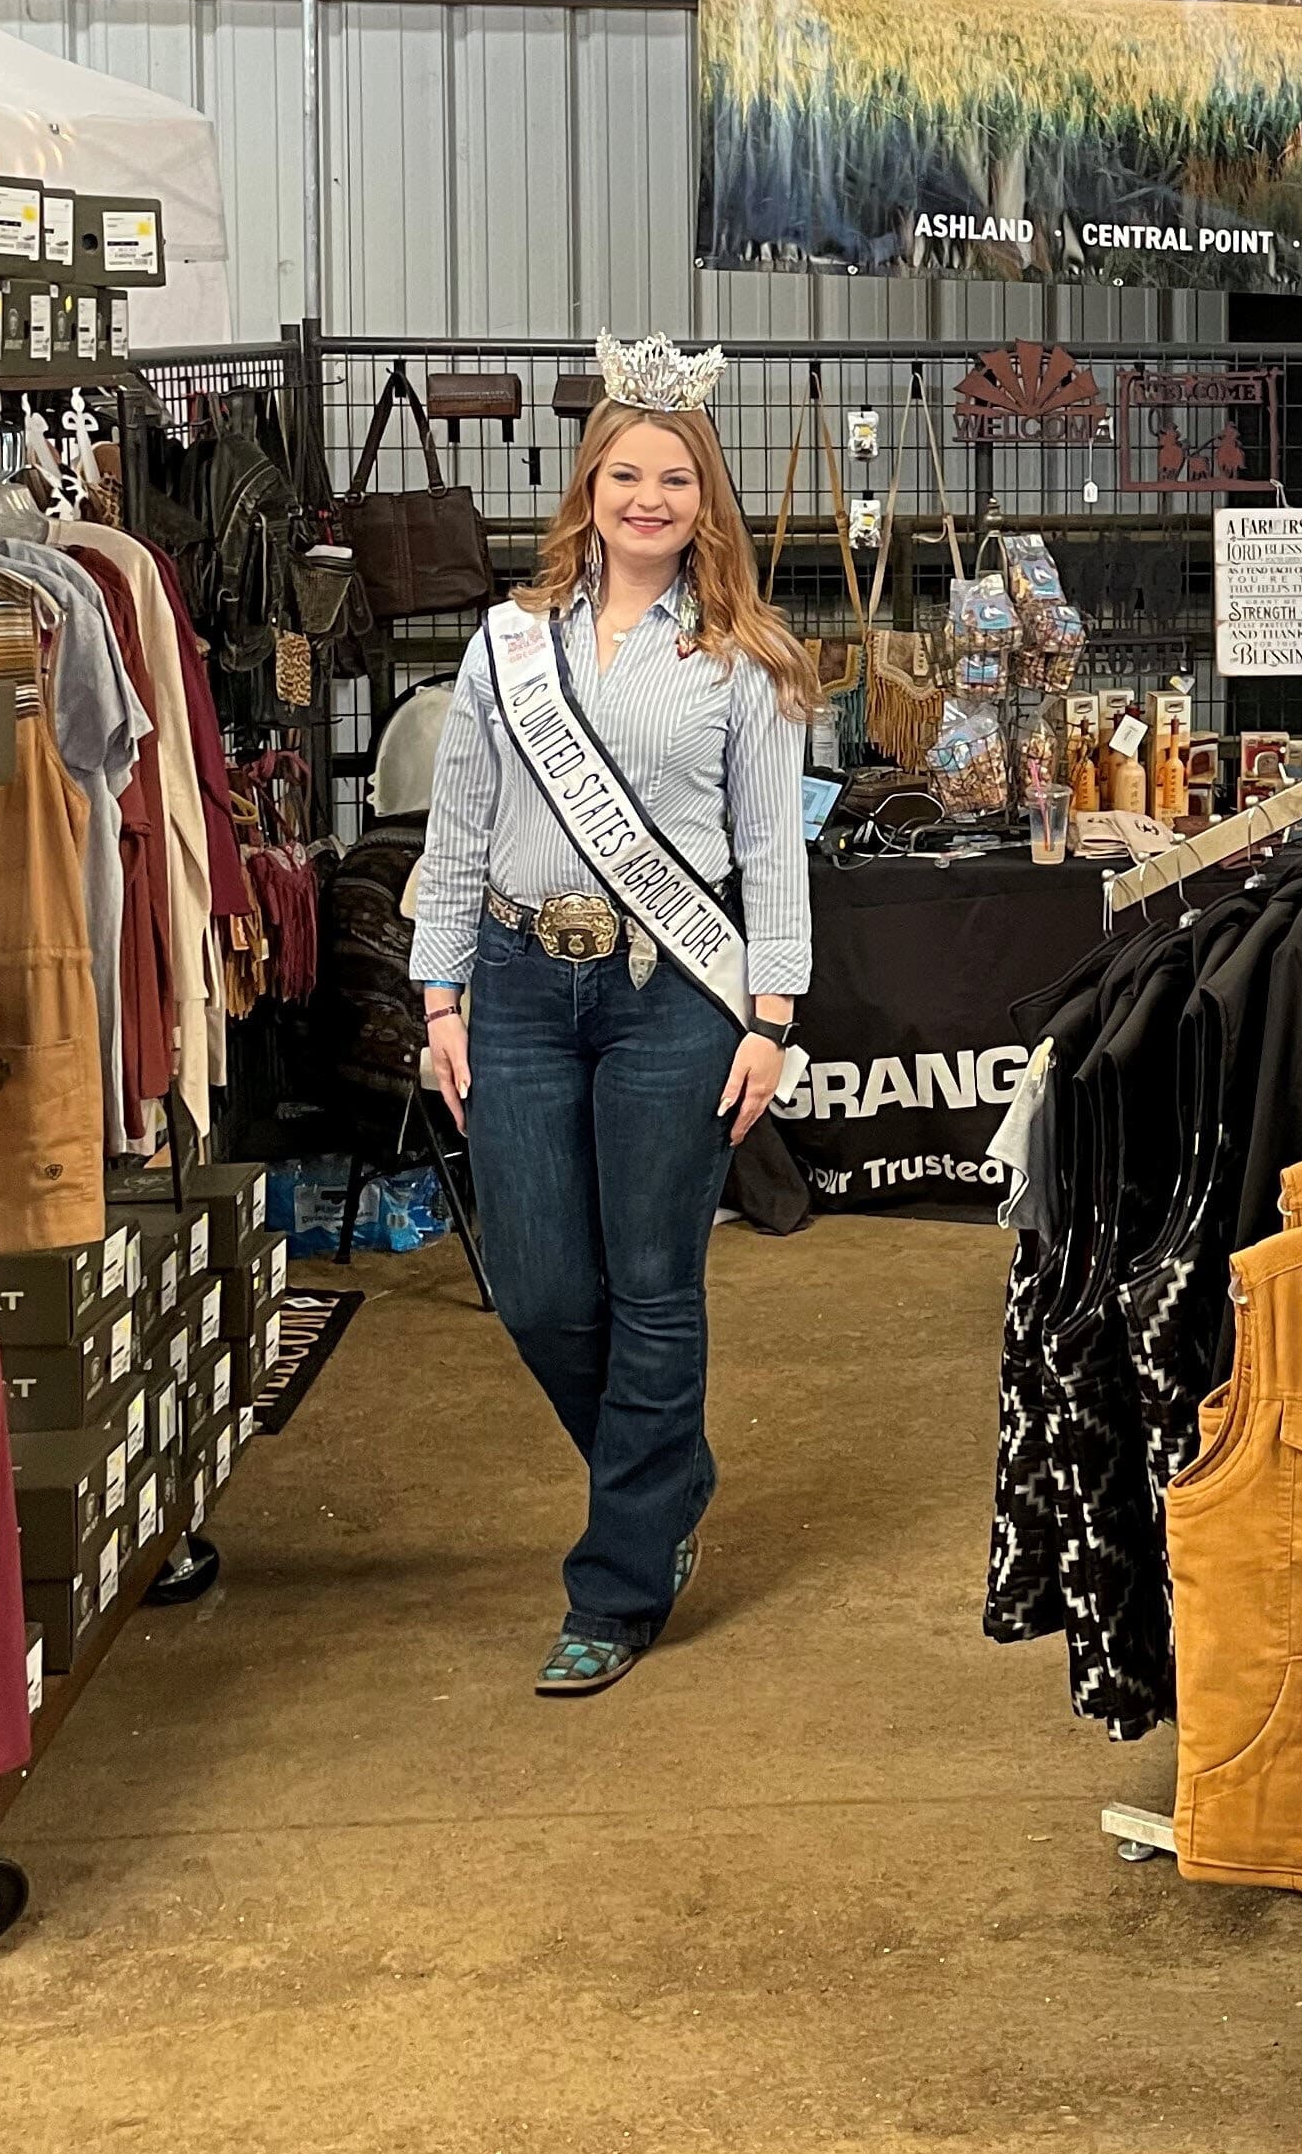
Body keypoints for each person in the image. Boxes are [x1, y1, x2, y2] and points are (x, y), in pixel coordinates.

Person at [411, 332, 817, 1696]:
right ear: (588, 487)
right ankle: (666, 1479)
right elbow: (459, 825)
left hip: (674, 996)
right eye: (627, 473)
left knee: (653, 1286)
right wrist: (439, 989)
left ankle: (621, 1578)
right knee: (531, 1282)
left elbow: (770, 850)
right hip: (518, 982)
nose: (651, 499)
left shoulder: (746, 659)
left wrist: (770, 1016)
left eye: (677, 479)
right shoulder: (507, 646)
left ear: (709, 501)